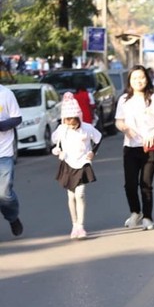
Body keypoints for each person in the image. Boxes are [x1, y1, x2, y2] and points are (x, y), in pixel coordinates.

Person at [115, 65, 154, 230]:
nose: (138, 81)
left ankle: (148, 217)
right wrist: (125, 128)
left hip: (149, 148)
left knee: (146, 184)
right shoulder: (124, 100)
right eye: (134, 78)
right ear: (130, 81)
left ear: (147, 79)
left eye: (141, 77)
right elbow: (118, 120)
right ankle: (135, 212)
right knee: (130, 184)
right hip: (130, 147)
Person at [51, 93, 102, 239]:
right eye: (67, 120)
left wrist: (93, 152)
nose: (71, 123)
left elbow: (98, 138)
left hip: (82, 163)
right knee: (71, 195)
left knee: (80, 194)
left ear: (78, 117)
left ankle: (81, 225)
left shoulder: (87, 128)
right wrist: (58, 147)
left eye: (73, 120)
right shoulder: (62, 129)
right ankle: (74, 225)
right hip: (67, 163)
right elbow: (54, 141)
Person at [0, 84, 23, 237]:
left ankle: (12, 217)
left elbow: (17, 118)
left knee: (4, 194)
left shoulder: (6, 94)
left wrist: (2, 125)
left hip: (4, 152)